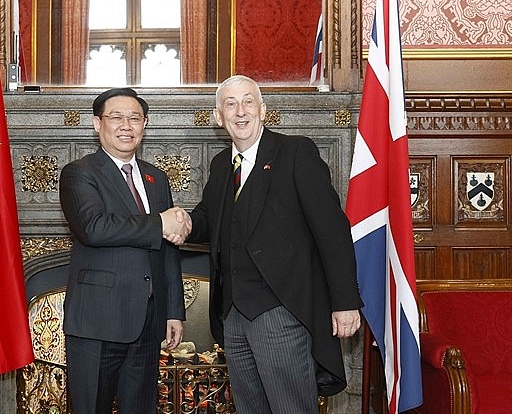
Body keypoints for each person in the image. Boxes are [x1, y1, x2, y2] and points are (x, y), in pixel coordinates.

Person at [185, 75, 363, 414]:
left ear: (263, 110)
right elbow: (210, 220)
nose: (240, 112)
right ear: (218, 117)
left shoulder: (296, 152)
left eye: (248, 102)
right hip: (233, 317)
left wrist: (345, 302)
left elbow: (332, 230)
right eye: (230, 104)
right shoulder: (222, 165)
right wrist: (182, 223)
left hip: (281, 312)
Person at [59, 87, 190, 414]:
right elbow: (94, 228)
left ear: (145, 124)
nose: (126, 125)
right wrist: (159, 222)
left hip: (147, 322)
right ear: (96, 123)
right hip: (97, 321)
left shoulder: (156, 178)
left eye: (135, 118)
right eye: (116, 117)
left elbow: (168, 248)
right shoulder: (80, 172)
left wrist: (174, 310)